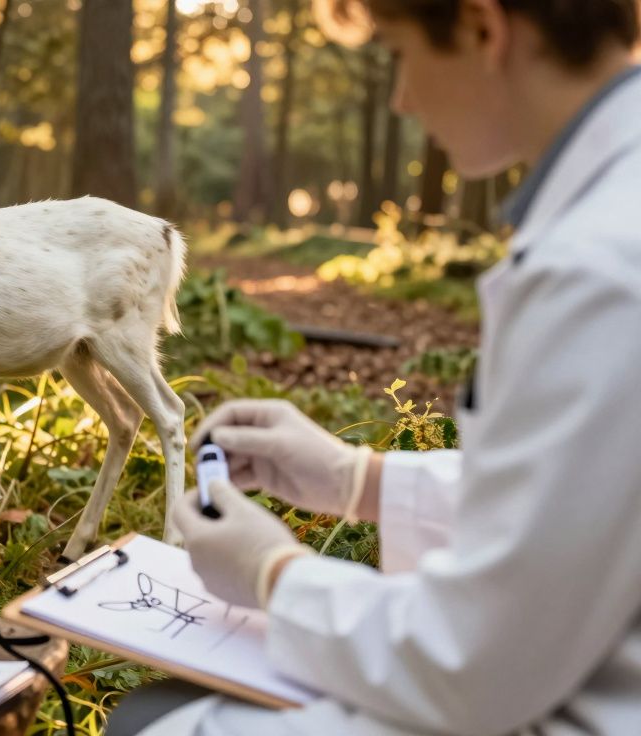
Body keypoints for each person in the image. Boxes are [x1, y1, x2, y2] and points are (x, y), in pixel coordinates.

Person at [105, 0, 641, 734]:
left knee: (157, 724)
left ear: (485, 30)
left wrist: (276, 576)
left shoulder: (601, 270)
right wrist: (361, 480)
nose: (403, 98)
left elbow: (475, 665)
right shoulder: (611, 214)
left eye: (397, 53)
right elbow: (590, 498)